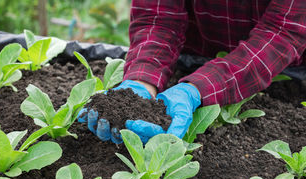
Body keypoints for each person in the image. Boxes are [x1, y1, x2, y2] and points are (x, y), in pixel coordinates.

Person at [79, 0, 306, 143]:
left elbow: (281, 34)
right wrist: (142, 79)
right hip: (194, 57)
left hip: (283, 67)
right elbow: (159, 18)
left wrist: (198, 89)